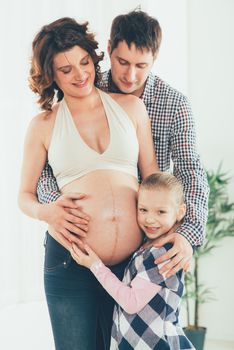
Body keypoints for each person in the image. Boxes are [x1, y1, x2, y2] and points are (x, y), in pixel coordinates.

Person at [18, 17, 158, 350]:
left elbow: (152, 177)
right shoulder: (43, 125)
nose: (80, 75)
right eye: (66, 70)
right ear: (51, 74)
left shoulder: (132, 108)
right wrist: (46, 212)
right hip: (71, 260)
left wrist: (167, 232)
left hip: (131, 264)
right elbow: (23, 196)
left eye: (84, 63)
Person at [37, 10, 209, 279]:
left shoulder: (175, 105)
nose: (130, 75)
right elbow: (48, 161)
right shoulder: (86, 86)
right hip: (79, 249)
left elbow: (190, 172)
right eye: (122, 62)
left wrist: (187, 234)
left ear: (155, 58)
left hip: (146, 247)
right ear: (108, 49)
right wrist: (57, 209)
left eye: (141, 66)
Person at [70, 172, 195, 349]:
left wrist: (95, 265)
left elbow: (131, 302)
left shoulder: (162, 254)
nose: (150, 219)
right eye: (143, 210)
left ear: (180, 212)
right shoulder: (147, 247)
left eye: (161, 212)